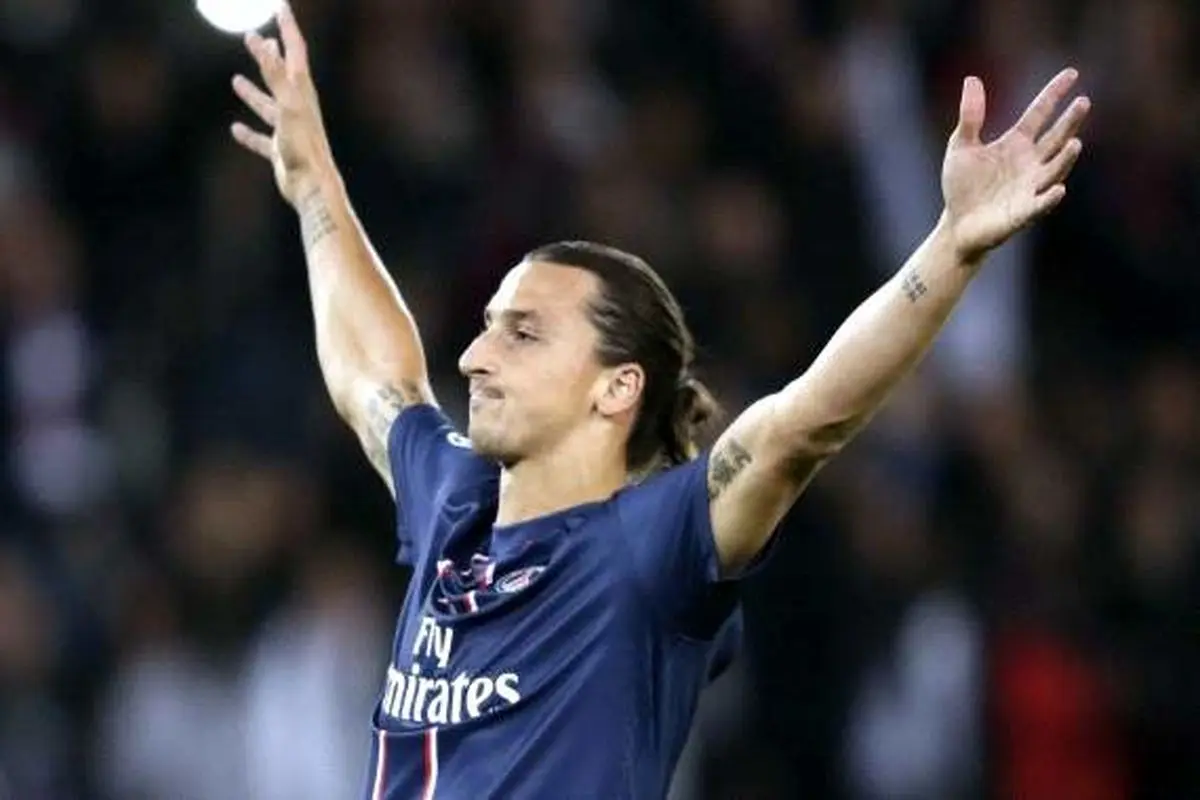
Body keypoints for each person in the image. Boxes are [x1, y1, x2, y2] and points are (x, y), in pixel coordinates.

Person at [230, 5, 1090, 798]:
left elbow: (802, 423)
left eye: (523, 334)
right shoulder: (453, 502)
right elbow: (376, 378)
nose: (475, 357)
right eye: (488, 328)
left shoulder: (648, 548)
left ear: (618, 386)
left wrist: (952, 247)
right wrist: (313, 185)